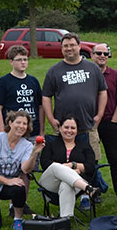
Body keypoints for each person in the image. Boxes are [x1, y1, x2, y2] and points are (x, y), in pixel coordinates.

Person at [41, 32, 107, 208]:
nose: (69, 48)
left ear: (79, 46)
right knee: (62, 158)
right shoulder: (54, 71)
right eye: (65, 46)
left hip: (87, 124)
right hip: (63, 126)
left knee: (90, 160)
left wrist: (99, 114)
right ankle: (62, 190)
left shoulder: (92, 68)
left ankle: (87, 194)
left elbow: (102, 91)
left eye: (72, 45)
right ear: (62, 49)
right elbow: (46, 96)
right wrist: (50, 117)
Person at [0, 110, 44, 230]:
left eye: (24, 124)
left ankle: (18, 220)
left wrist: (34, 153)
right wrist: (7, 181)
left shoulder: (27, 145)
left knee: (19, 187)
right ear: (10, 123)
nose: (21, 126)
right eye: (18, 122)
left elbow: (25, 169)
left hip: (6, 186)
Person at [38, 115, 99, 219]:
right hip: (51, 182)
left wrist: (72, 165)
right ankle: (87, 188)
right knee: (55, 167)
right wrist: (71, 170)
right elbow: (45, 163)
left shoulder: (84, 146)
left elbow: (91, 166)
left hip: (74, 185)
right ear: (60, 128)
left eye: (73, 128)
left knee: (66, 184)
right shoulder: (51, 144)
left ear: (77, 130)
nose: (69, 130)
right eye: (66, 127)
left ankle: (65, 222)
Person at [92, 43, 117, 206]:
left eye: (105, 53)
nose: (102, 56)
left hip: (109, 122)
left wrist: (114, 120)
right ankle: (93, 192)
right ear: (92, 55)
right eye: (98, 53)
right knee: (90, 160)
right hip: (90, 124)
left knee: (115, 158)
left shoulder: (115, 75)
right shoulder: (88, 75)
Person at [0, 45, 43, 138]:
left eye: (25, 59)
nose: (23, 62)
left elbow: (40, 107)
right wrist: (3, 132)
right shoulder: (4, 82)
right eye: (19, 60)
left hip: (32, 132)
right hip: (12, 132)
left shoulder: (33, 81)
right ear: (11, 61)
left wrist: (41, 131)